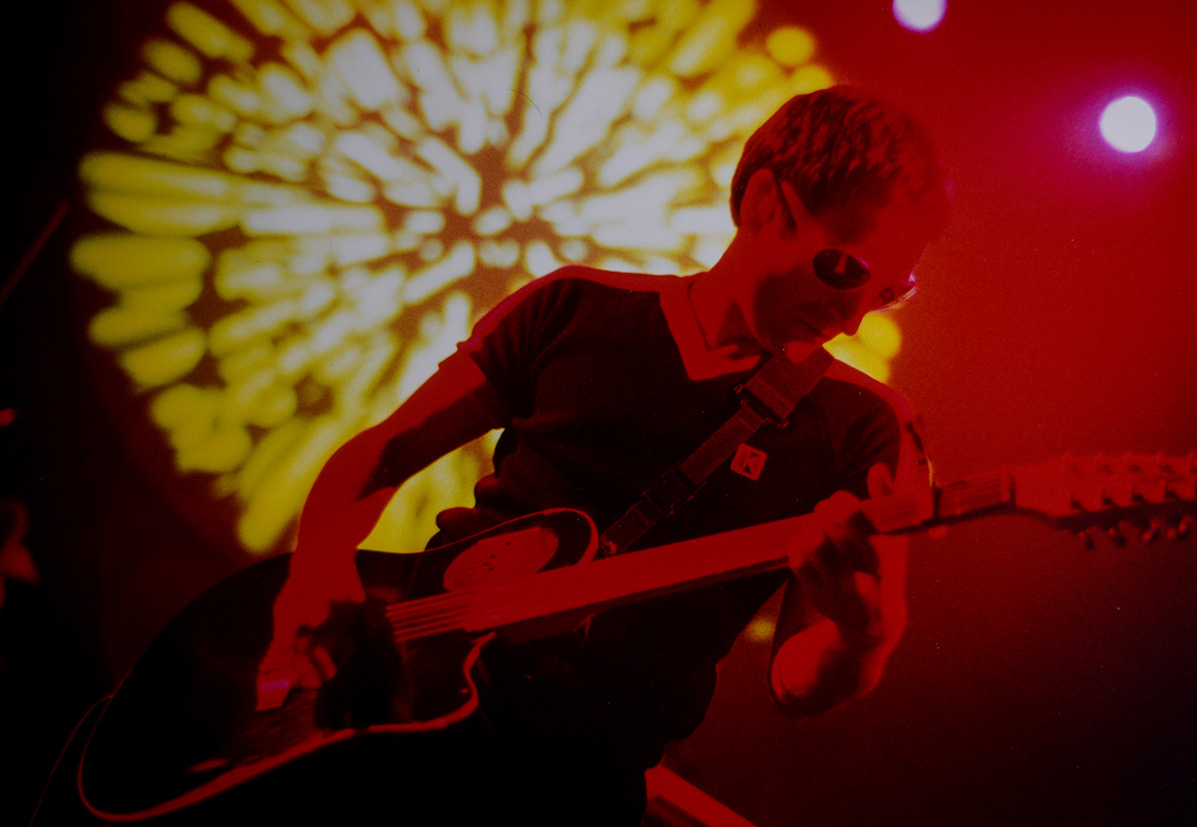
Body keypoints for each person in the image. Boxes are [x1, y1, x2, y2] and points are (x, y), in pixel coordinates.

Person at [260, 85, 950, 823]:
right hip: (380, 712)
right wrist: (315, 570)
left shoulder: (869, 426)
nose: (851, 317)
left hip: (574, 787)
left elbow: (794, 682)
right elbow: (375, 459)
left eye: (887, 292)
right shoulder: (571, 304)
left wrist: (864, 639)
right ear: (763, 205)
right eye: (844, 269)